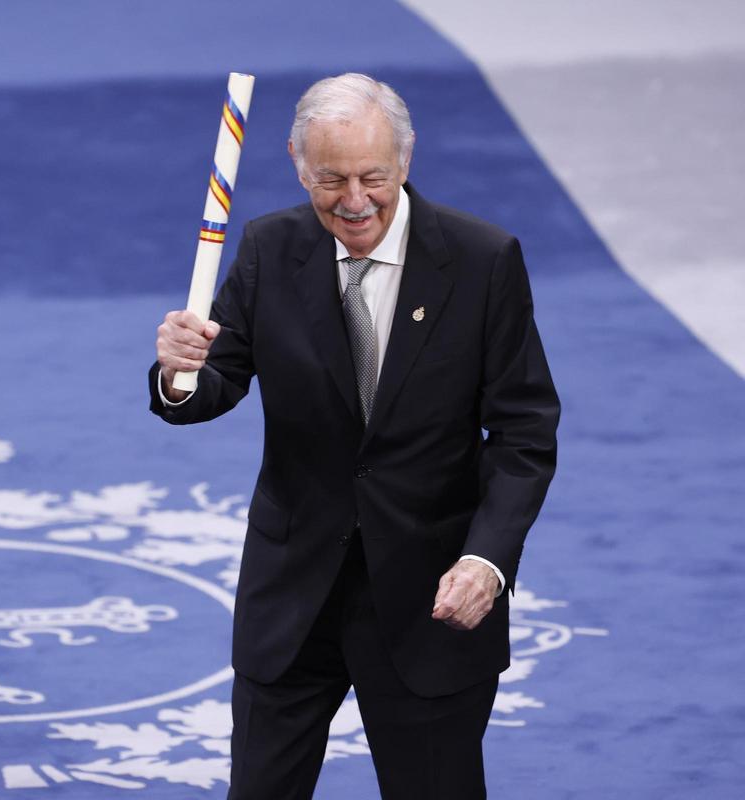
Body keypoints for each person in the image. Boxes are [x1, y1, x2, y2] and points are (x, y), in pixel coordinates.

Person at [149, 73, 560, 799]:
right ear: (296, 163)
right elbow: (214, 386)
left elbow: (525, 431)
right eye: (330, 179)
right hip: (293, 595)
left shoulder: (481, 260)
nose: (354, 200)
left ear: (405, 161)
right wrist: (179, 373)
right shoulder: (270, 248)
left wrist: (486, 560)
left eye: (373, 176)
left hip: (431, 600)